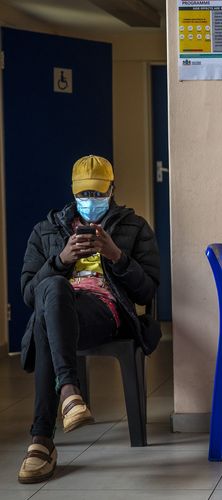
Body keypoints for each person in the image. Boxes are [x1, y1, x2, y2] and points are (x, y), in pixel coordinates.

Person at [17, 155, 160, 483]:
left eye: (97, 194)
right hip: (57, 311)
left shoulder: (134, 227)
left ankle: (42, 438)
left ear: (112, 189)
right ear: (72, 191)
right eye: (84, 194)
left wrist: (116, 255)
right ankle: (69, 391)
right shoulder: (46, 231)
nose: (90, 201)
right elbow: (29, 294)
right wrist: (61, 259)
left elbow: (147, 292)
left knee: (45, 319)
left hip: (106, 312)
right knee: (50, 290)